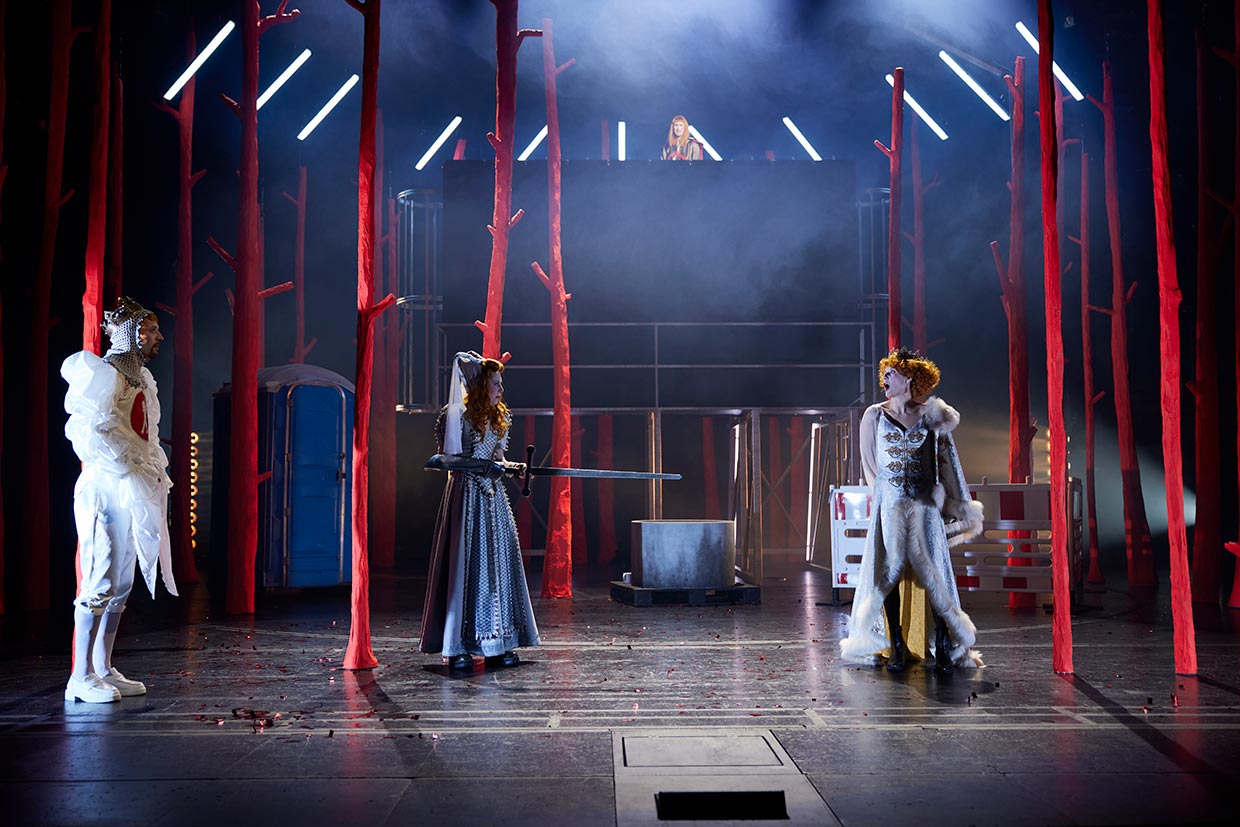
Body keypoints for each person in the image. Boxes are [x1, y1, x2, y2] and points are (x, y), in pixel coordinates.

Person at [839, 348, 984, 673]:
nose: (885, 378)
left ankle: (943, 643)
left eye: (892, 373)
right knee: (888, 573)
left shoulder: (932, 415)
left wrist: (956, 507)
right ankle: (897, 643)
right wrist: (886, 498)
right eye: (884, 373)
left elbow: (947, 464)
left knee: (933, 574)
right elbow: (870, 465)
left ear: (910, 378)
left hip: (925, 508)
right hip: (890, 505)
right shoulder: (874, 416)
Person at [61, 297, 177, 703]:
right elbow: (87, 431)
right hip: (106, 487)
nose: (159, 336)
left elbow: (146, 432)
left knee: (122, 582)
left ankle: (103, 667)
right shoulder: (105, 375)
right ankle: (80, 676)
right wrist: (124, 463)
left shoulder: (142, 378)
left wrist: (148, 469)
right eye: (151, 330)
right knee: (100, 579)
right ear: (131, 334)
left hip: (133, 485)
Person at [420, 352, 539, 671]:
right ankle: (459, 646)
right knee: (469, 566)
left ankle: (499, 643)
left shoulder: (500, 417)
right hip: (467, 497)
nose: (501, 389)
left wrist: (513, 467)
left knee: (498, 566)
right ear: (481, 385)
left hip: (493, 500)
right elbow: (445, 459)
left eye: (500, 383)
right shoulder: (456, 416)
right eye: (495, 383)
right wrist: (482, 467)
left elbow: (498, 457)